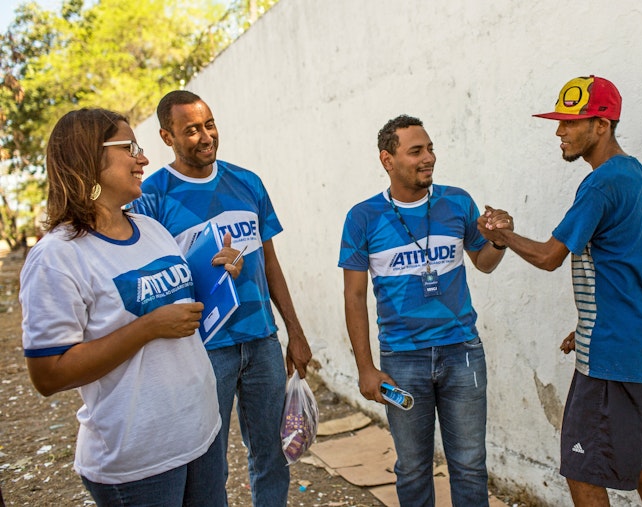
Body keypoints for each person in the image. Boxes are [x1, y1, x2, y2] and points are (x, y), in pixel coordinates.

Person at [479, 75, 642, 506]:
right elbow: (635, 264)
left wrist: (502, 236)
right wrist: (591, 321)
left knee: (582, 471)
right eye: (558, 122)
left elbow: (549, 257)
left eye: (571, 122)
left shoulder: (600, 184)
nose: (559, 131)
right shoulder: (636, 174)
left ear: (602, 125)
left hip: (615, 354)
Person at [19, 108, 226, 506]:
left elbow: (182, 308)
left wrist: (218, 272)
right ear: (88, 157)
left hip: (202, 432)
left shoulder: (151, 229)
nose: (143, 158)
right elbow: (48, 375)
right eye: (129, 148)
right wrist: (148, 327)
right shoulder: (57, 257)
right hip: (138, 461)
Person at [132, 90, 312, 506]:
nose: (205, 136)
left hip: (262, 342)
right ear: (166, 136)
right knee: (208, 462)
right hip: (202, 348)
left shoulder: (248, 182)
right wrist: (204, 267)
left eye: (209, 124)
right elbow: (152, 280)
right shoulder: (152, 198)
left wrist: (295, 333)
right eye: (191, 130)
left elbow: (270, 263)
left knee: (272, 455)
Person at [339, 114, 507, 506]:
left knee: (469, 464)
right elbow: (353, 297)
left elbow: (482, 262)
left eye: (430, 148)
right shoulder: (363, 218)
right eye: (416, 151)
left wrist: (498, 242)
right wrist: (366, 367)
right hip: (401, 360)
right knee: (412, 467)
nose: (428, 157)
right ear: (387, 160)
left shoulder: (457, 202)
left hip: (462, 351)